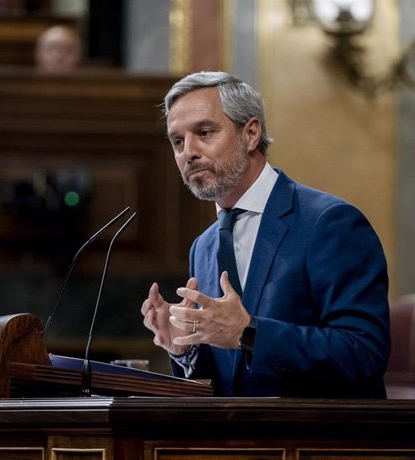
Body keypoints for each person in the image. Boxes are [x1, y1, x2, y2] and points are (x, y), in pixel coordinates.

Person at [141, 71, 391, 398]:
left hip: (321, 440)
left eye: (204, 132)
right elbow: (229, 381)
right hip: (237, 444)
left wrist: (249, 333)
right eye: (178, 141)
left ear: (251, 133)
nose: (189, 152)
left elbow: (364, 353)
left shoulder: (330, 223)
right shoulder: (203, 246)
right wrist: (183, 348)